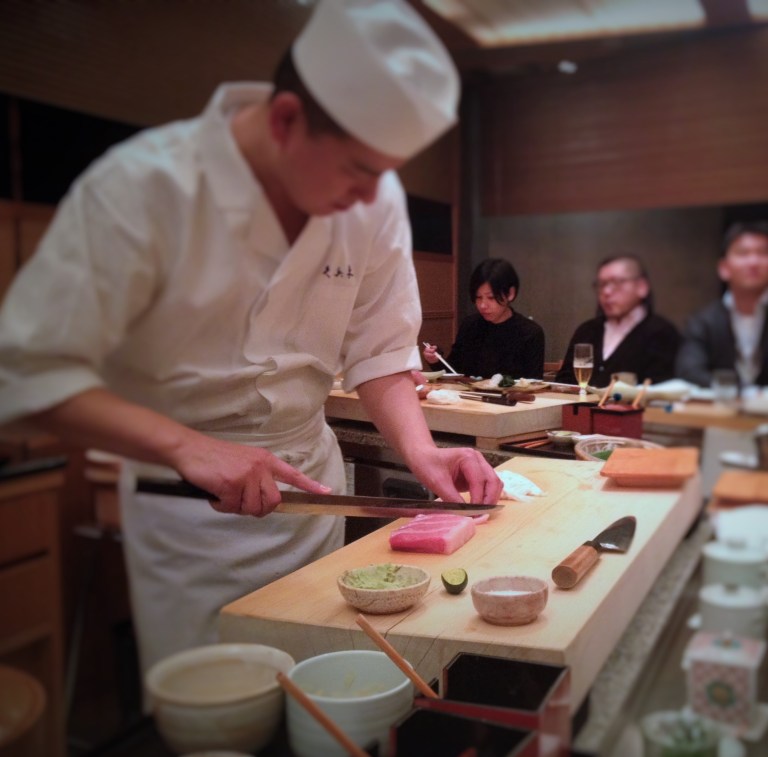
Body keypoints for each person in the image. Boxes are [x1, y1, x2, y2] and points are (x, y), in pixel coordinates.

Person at [0, 0, 502, 674]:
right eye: (357, 168)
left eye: (384, 172)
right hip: (188, 513)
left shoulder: (373, 198)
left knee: (322, 698)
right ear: (287, 120)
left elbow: (380, 352)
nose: (372, 195)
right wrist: (187, 446)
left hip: (313, 497)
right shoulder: (144, 187)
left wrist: (421, 451)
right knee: (219, 716)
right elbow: (28, 373)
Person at [555, 254, 680, 387]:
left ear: (641, 287)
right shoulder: (587, 331)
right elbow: (564, 384)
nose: (606, 291)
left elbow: (660, 392)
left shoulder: (661, 333)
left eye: (617, 282)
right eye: (601, 284)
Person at [676, 221, 768, 388]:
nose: (753, 262)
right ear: (724, 268)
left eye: (763, 253)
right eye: (743, 253)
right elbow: (689, 370)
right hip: (721, 410)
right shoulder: (703, 321)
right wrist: (739, 392)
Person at [422, 258, 545, 379]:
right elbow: (454, 373)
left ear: (510, 294)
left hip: (511, 399)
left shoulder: (530, 333)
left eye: (491, 298)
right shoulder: (470, 325)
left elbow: (533, 385)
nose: (482, 305)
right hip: (467, 398)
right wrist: (435, 360)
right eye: (478, 297)